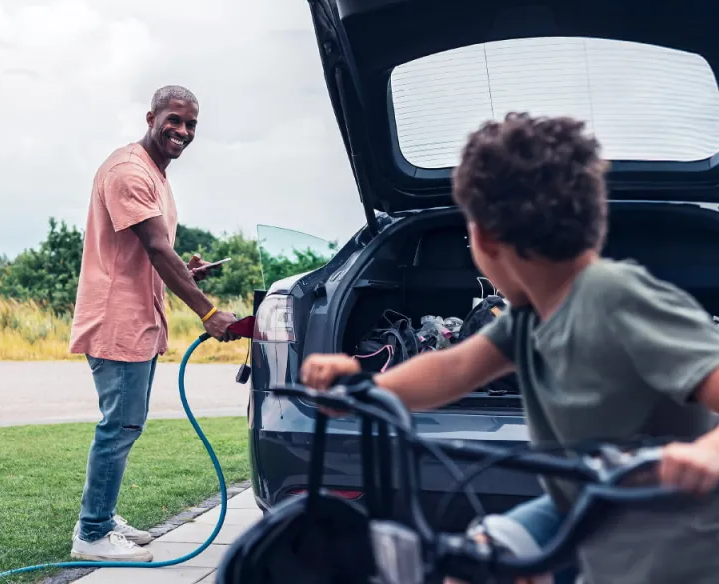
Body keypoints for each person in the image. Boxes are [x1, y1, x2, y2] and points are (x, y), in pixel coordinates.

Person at [300, 112, 719, 584]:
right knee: (470, 567)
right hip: (588, 505)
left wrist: (708, 453)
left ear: (482, 237)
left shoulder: (616, 296)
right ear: (595, 222)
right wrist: (365, 386)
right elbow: (453, 368)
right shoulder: (528, 317)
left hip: (684, 550)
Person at [68, 85, 239, 562]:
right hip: (115, 320)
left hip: (139, 319)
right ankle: (92, 532)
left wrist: (189, 272)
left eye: (191, 125)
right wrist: (208, 311)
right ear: (151, 117)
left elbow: (153, 254)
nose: (182, 132)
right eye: (175, 120)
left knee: (125, 425)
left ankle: (103, 514)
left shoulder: (155, 173)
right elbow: (157, 249)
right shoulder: (129, 172)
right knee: (119, 426)